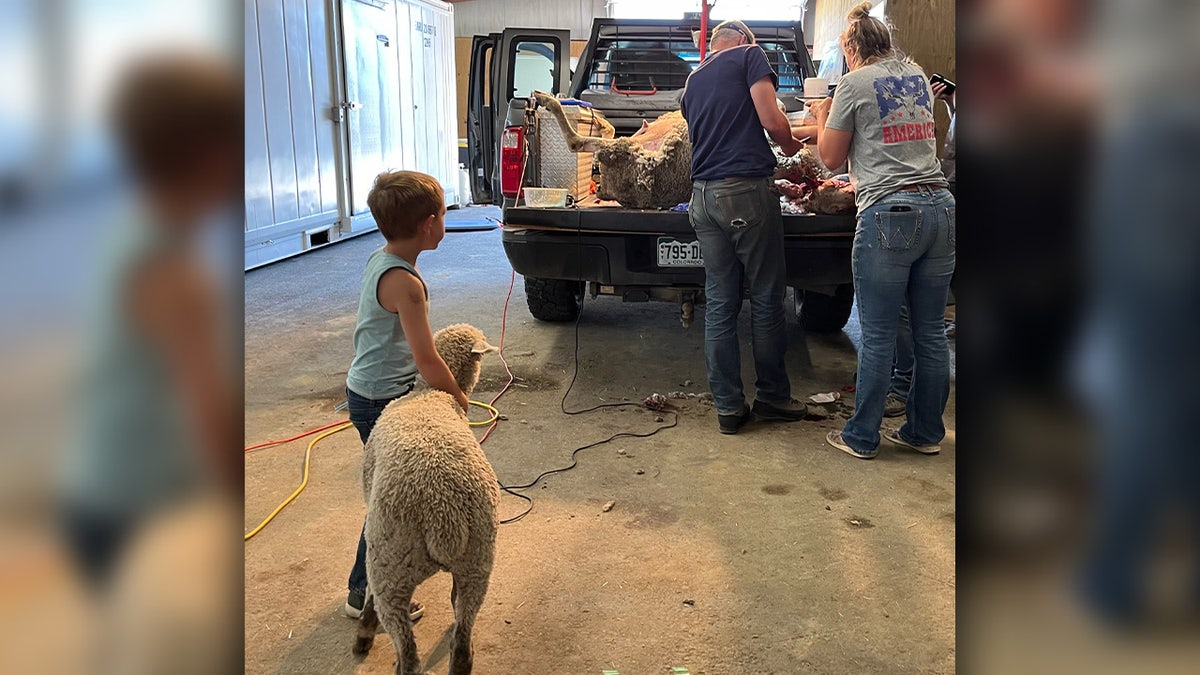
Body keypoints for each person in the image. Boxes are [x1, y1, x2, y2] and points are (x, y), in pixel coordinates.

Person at [810, 2, 955, 458]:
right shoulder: (914, 74)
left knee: (877, 333)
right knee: (930, 331)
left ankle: (861, 436)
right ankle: (924, 433)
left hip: (891, 213)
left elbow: (830, 158)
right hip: (941, 206)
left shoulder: (854, 83)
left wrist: (820, 115)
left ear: (852, 49)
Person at [342, 170, 470, 620]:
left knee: (387, 496)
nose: (444, 222)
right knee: (387, 500)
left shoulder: (384, 260)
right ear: (426, 224)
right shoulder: (406, 285)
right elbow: (427, 359)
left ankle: (368, 587)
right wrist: (458, 396)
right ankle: (364, 591)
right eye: (442, 215)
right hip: (380, 400)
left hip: (369, 389)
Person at [680, 19, 811, 434]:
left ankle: (728, 408)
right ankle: (772, 397)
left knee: (720, 302)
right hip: (745, 192)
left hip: (702, 196)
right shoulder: (749, 56)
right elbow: (772, 122)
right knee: (768, 298)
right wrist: (795, 147)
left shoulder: (692, 81)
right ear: (742, 40)